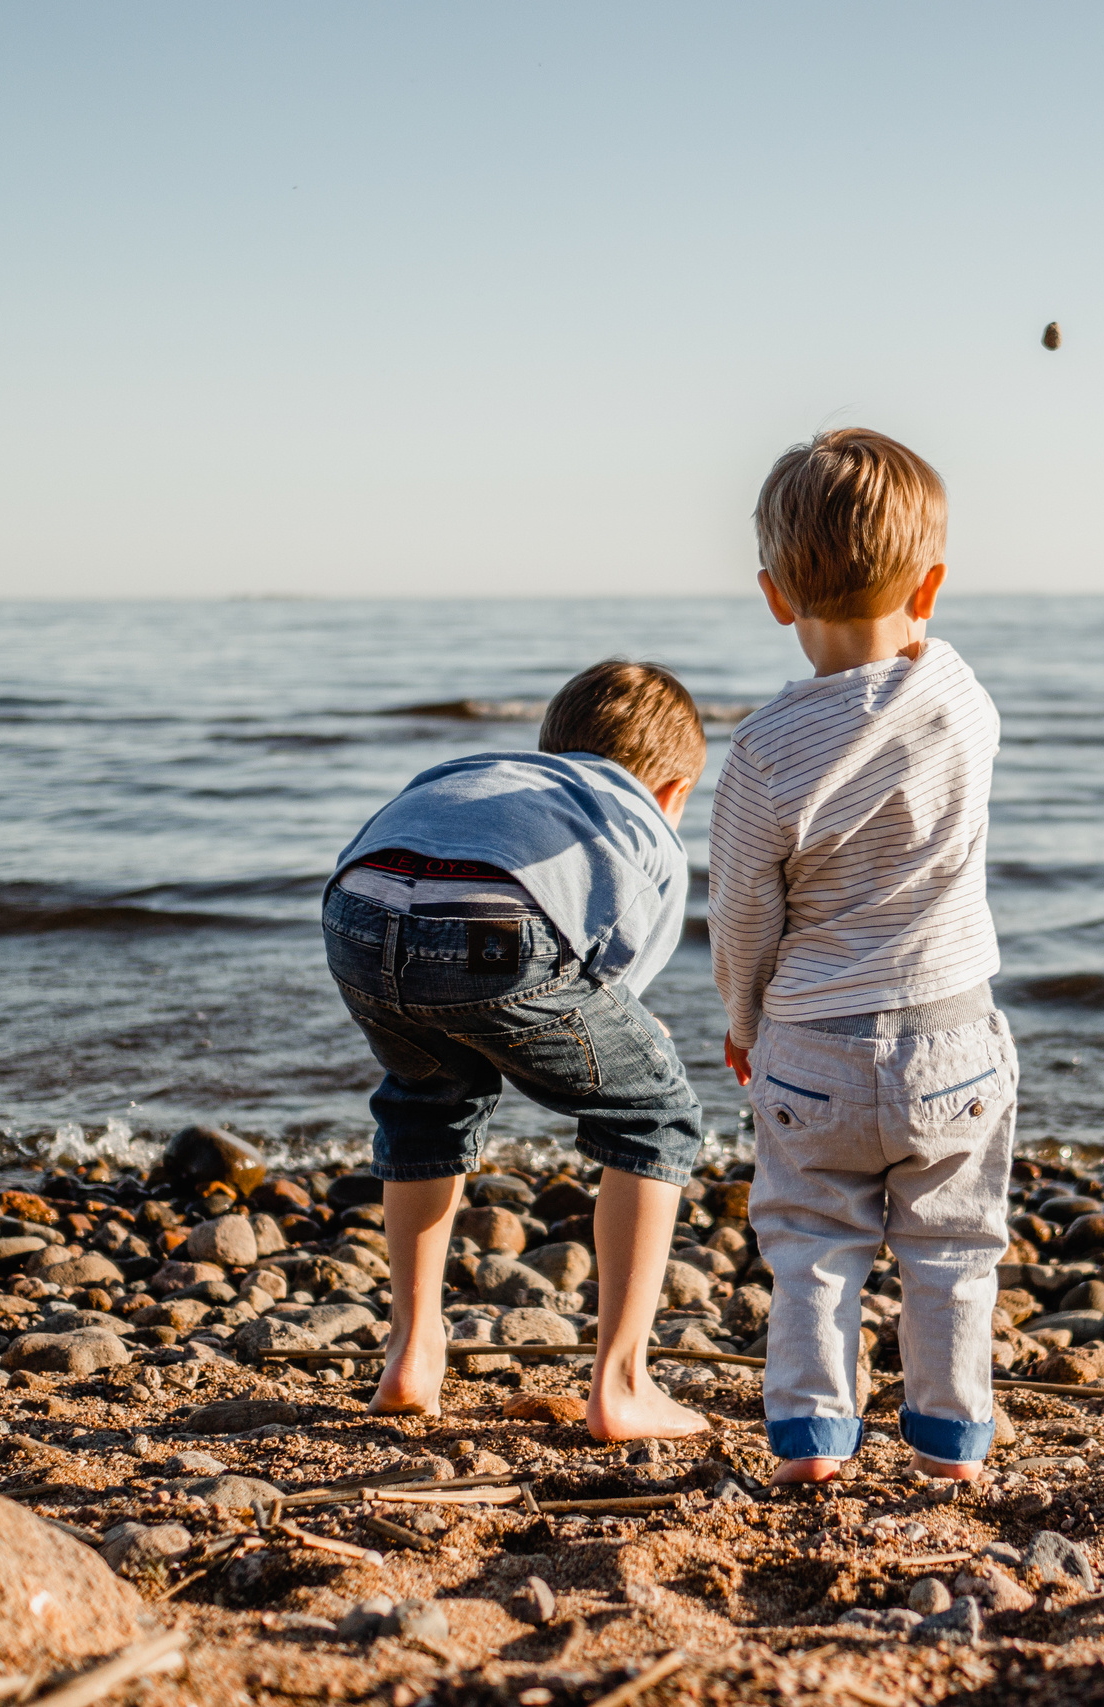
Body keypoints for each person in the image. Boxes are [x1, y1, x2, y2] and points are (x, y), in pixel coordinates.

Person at [710, 427, 1015, 1484]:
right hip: (951, 1039)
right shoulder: (960, 700)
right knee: (952, 1247)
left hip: (810, 1048)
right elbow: (923, 650)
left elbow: (742, 911)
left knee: (810, 1244)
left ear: (773, 596)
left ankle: (810, 1437)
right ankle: (948, 1438)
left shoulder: (760, 753)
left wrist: (743, 1021)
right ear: (931, 584)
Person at [322, 659, 711, 1439]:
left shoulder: (478, 772)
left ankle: (412, 1351)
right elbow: (613, 979)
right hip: (496, 923)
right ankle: (624, 1383)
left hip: (356, 910)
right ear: (673, 791)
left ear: (550, 745)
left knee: (429, 1097)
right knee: (655, 1113)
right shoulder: (641, 819)